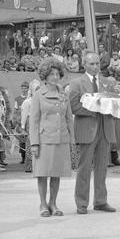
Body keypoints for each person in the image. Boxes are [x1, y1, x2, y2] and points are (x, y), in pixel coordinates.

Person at [69, 51, 117, 214]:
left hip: (105, 129)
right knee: (84, 168)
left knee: (102, 167)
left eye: (97, 63)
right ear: (84, 64)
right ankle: (81, 203)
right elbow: (73, 106)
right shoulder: (76, 83)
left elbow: (114, 105)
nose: (95, 66)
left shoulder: (107, 83)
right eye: (92, 64)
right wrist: (94, 110)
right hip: (87, 128)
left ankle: (100, 201)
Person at [29, 58, 74, 217]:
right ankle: (42, 204)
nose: (55, 77)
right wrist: (34, 143)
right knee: (42, 173)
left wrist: (72, 140)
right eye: (51, 74)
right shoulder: (38, 95)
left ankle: (53, 203)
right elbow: (33, 121)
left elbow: (69, 118)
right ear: (45, 75)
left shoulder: (64, 94)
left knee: (56, 173)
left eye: (57, 74)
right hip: (44, 140)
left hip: (61, 138)